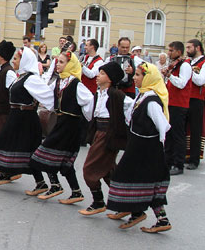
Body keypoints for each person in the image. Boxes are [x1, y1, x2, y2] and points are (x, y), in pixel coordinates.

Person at [106, 62, 172, 233]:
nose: (134, 78)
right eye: (134, 74)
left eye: (138, 75)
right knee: (140, 180)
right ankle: (147, 215)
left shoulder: (151, 101)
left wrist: (158, 149)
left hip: (146, 149)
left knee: (135, 178)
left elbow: (163, 126)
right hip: (138, 145)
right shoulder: (143, 96)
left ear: (148, 78)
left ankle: (141, 213)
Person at [28, 51, 93, 202]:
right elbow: (46, 94)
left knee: (43, 154)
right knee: (63, 160)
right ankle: (76, 192)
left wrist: (88, 117)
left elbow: (89, 101)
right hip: (60, 124)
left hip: (71, 126)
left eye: (62, 62)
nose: (58, 64)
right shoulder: (59, 82)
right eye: (58, 62)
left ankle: (56, 185)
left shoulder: (77, 84)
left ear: (70, 65)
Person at [0, 47, 55, 188]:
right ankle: (8, 173)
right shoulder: (22, 76)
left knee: (29, 150)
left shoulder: (31, 79)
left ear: (25, 61)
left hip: (26, 119)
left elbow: (49, 97)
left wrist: (55, 110)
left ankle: (47, 183)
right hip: (17, 117)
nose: (14, 61)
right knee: (9, 145)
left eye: (16, 59)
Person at [78, 61, 131, 216]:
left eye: (102, 73)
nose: (97, 76)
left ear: (110, 78)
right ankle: (125, 203)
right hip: (99, 133)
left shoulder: (117, 95)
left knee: (89, 168)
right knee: (108, 171)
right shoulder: (98, 94)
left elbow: (130, 110)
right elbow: (91, 114)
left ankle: (98, 200)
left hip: (108, 134)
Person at [161, 41, 192, 176]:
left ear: (179, 52)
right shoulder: (174, 65)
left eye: (171, 50)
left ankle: (178, 164)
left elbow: (181, 83)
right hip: (171, 102)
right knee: (169, 134)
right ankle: (168, 161)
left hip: (179, 104)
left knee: (178, 135)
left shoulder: (185, 66)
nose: (169, 53)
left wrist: (169, 75)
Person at [185, 39, 205, 170]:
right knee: (183, 128)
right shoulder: (187, 62)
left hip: (197, 99)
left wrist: (188, 71)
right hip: (184, 98)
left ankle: (194, 159)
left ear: (197, 48)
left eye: (189, 47)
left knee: (195, 129)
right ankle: (184, 154)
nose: (187, 50)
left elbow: (201, 80)